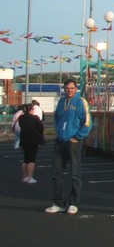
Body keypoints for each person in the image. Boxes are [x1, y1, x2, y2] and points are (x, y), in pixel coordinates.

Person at [45, 79, 92, 215]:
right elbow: (57, 118)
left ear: (75, 89)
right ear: (64, 89)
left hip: (74, 142)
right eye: (67, 88)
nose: (69, 90)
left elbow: (88, 122)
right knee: (56, 173)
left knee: (74, 174)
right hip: (60, 141)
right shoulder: (61, 102)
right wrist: (59, 132)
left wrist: (77, 137)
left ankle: (73, 202)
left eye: (72, 88)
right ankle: (58, 203)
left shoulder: (80, 101)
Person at [18, 103, 45, 184]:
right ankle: (30, 177)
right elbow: (41, 128)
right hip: (33, 140)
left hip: (24, 139)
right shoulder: (35, 118)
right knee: (32, 159)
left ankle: (25, 176)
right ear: (31, 110)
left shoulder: (21, 118)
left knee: (26, 159)